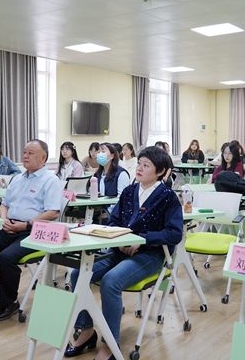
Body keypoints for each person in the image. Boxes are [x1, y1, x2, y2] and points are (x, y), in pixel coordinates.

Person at [64, 146, 183, 360]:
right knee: (77, 274)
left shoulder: (168, 197)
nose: (140, 168)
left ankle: (110, 344)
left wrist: (141, 240)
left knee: (110, 281)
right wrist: (120, 240)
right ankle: (86, 330)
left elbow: (174, 234)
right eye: (139, 164)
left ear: (160, 171)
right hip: (119, 250)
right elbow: (113, 221)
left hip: (150, 255)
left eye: (146, 165)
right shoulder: (129, 191)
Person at [0, 139, 63, 322]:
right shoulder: (17, 178)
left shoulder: (50, 180)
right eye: (24, 152)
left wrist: (26, 225)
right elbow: (4, 204)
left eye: (30, 153)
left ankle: (9, 303)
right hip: (9, 227)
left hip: (32, 231)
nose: (25, 156)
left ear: (43, 158)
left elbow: (53, 212)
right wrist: (4, 219)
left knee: (6, 258)